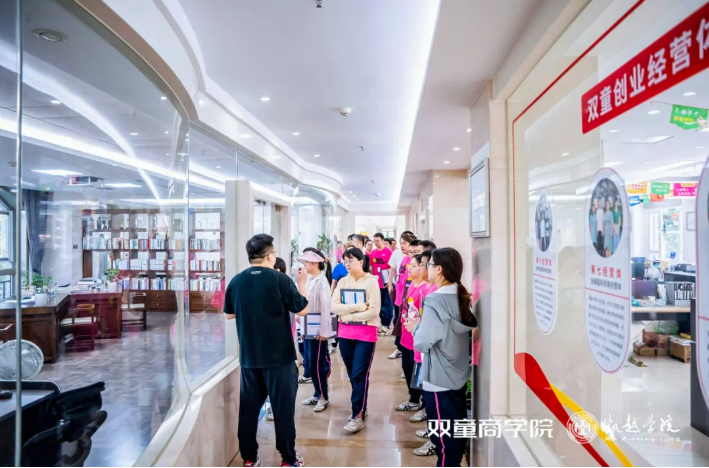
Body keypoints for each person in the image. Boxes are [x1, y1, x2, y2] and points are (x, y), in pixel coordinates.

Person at [224, 234, 308, 467]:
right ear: (270, 256)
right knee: (283, 411)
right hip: (280, 359)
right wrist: (302, 284)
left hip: (250, 358)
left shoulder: (237, 281)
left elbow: (229, 314)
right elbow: (302, 309)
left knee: (249, 411)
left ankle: (249, 458)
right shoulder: (281, 280)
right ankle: (288, 459)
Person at [406, 247, 477, 467]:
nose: (425, 268)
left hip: (438, 379)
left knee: (443, 440)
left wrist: (415, 328)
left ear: (439, 269)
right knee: (455, 431)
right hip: (457, 374)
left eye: (428, 264)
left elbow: (423, 342)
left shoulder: (435, 300)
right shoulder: (460, 295)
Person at [331, 247, 381, 434]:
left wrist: (347, 315)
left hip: (366, 335)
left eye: (350, 260)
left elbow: (374, 311)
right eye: (345, 261)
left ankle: (357, 415)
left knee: (360, 374)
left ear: (361, 262)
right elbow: (333, 307)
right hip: (345, 334)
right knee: (353, 374)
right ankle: (361, 407)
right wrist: (359, 307)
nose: (347, 264)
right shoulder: (343, 281)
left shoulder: (371, 282)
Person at [297, 248, 335, 413]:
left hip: (317, 330)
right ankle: (317, 393)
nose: (305, 265)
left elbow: (326, 307)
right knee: (309, 362)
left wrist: (325, 331)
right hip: (308, 327)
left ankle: (323, 396)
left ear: (314, 263)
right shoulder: (311, 280)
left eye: (307, 262)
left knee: (317, 364)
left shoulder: (321, 282)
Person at [397, 254, 428, 414]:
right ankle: (413, 399)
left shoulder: (426, 288)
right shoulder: (411, 284)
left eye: (415, 266)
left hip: (416, 337)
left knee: (418, 371)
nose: (410, 268)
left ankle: (423, 404)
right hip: (406, 334)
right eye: (411, 265)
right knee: (407, 368)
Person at [265, 257, 292, 422]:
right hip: (264, 344)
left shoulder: (285, 288)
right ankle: (271, 405)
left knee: (279, 379)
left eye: (278, 272)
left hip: (281, 344)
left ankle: (276, 407)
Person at [391, 233, 417, 359]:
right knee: (398, 322)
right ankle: (400, 347)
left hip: (408, 299)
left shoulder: (413, 263)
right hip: (400, 297)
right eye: (400, 243)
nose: (402, 246)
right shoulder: (404, 259)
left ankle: (401, 349)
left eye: (404, 243)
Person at [371, 232, 394, 334]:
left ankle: (386, 324)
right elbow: (372, 267)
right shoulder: (373, 252)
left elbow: (392, 268)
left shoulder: (389, 252)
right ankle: (379, 324)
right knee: (378, 304)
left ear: (383, 241)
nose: (376, 242)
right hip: (376, 283)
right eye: (374, 241)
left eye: (378, 241)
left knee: (387, 304)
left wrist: (390, 281)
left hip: (386, 282)